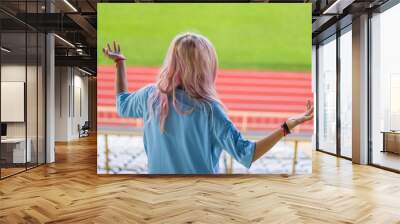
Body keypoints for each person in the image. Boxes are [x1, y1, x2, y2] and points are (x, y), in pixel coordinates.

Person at [102, 32, 313, 174]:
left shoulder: (150, 96)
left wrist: (120, 63)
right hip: (200, 201)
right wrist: (286, 127)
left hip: (157, 199)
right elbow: (247, 154)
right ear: (204, 66)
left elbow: (121, 104)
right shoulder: (210, 111)